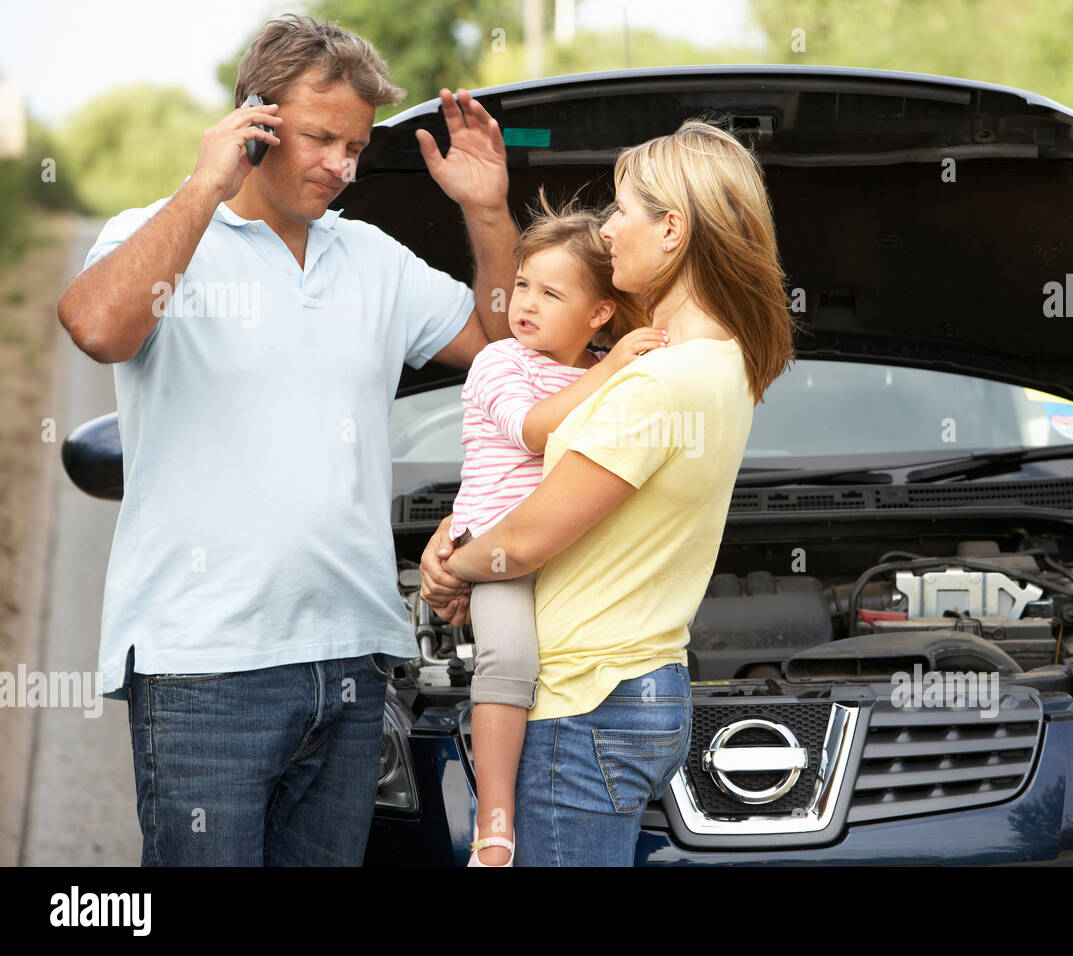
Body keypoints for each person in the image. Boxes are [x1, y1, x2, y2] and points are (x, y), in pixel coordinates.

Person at [55, 14, 517, 866]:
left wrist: (487, 212)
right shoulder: (155, 236)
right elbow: (96, 326)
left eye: (355, 146)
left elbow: (502, 355)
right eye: (319, 139)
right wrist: (203, 186)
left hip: (353, 657)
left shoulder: (374, 258)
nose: (341, 167)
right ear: (254, 124)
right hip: (203, 667)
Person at [420, 118, 797, 866]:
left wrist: (449, 568)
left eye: (622, 210)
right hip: (641, 686)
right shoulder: (721, 363)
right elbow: (534, 439)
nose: (607, 228)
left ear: (672, 230)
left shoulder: (658, 380)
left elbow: (527, 540)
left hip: (584, 701)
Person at [450, 191, 666, 866]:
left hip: (576, 559)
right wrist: (612, 365)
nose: (526, 303)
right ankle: (496, 821)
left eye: (550, 292)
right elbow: (532, 430)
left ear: (599, 311)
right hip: (501, 555)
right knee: (509, 662)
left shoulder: (603, 374)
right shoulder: (500, 363)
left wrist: (617, 362)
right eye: (522, 285)